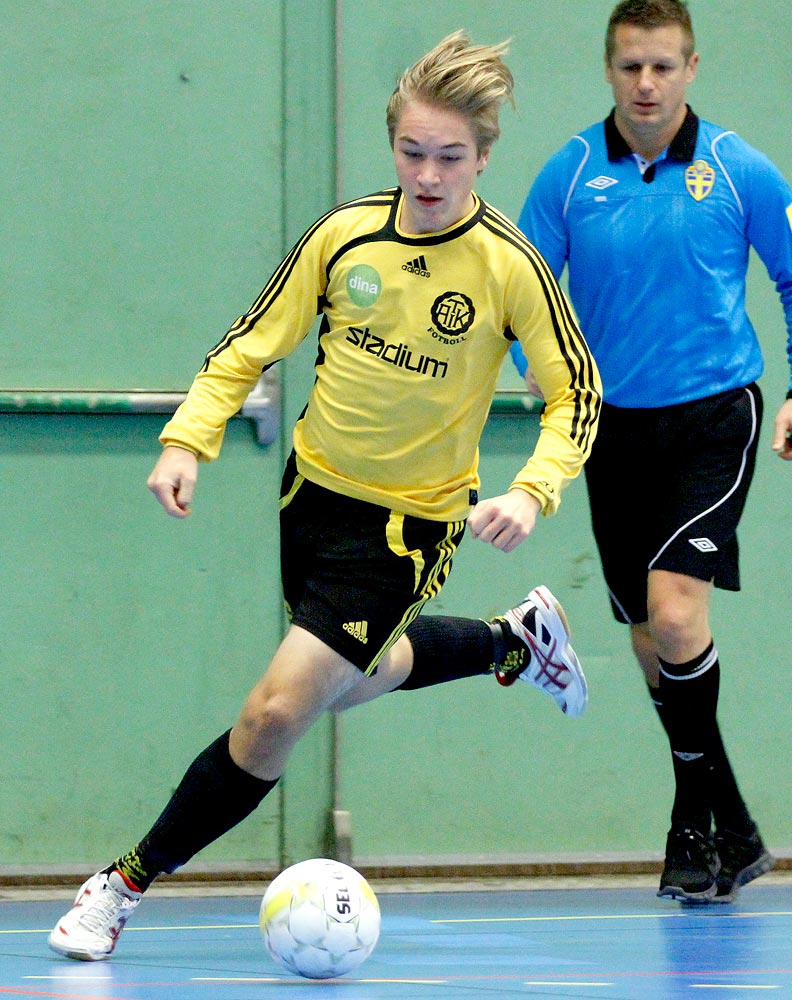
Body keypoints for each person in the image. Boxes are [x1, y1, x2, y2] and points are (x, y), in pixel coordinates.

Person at [48, 31, 601, 962]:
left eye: (450, 157)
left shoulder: (509, 268)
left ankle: (122, 883)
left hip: (406, 527)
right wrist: (190, 437)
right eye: (412, 152)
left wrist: (535, 493)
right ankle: (512, 641)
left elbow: (576, 396)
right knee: (347, 680)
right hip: (309, 500)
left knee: (273, 716)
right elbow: (251, 342)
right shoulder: (344, 237)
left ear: (484, 156)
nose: (428, 176)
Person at [514, 0, 792, 904]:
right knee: (652, 637)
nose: (645, 85)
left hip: (712, 417)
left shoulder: (739, 171)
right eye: (629, 68)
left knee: (678, 613)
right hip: (607, 427)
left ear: (692, 67)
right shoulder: (570, 174)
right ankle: (729, 825)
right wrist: (531, 366)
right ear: (607, 71)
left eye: (662, 67)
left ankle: (689, 824)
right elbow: (522, 290)